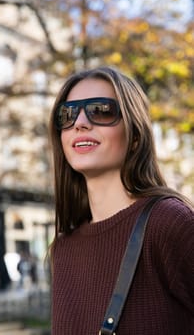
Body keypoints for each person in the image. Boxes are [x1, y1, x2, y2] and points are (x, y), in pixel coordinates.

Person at [48, 66, 194, 335]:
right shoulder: (63, 248)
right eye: (67, 114)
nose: (80, 122)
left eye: (101, 110)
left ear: (135, 135)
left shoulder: (170, 223)